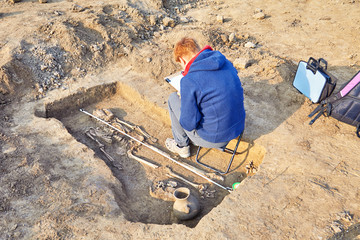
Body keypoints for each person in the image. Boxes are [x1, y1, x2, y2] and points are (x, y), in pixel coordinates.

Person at [165, 37, 246, 158]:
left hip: (216, 137)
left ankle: (181, 146)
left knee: (172, 99)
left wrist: (185, 99)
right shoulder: (225, 62)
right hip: (238, 126)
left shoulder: (189, 81)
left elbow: (188, 124)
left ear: (182, 60)